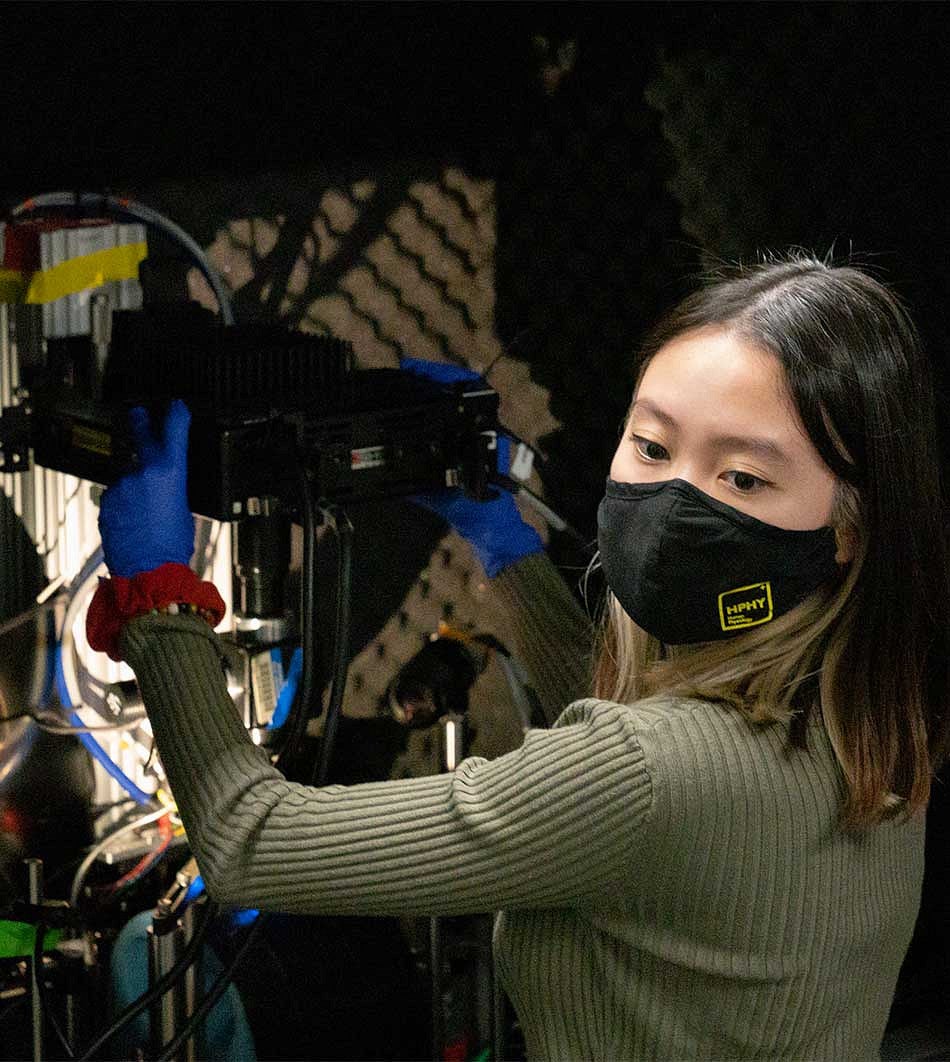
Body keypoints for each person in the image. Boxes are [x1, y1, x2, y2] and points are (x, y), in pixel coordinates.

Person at [86, 253, 949, 1060]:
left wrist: (159, 598)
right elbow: (669, 757)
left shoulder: (640, 779)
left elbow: (248, 842)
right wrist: (501, 539)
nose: (673, 496)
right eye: (651, 446)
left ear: (846, 529)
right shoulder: (868, 718)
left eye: (744, 478)